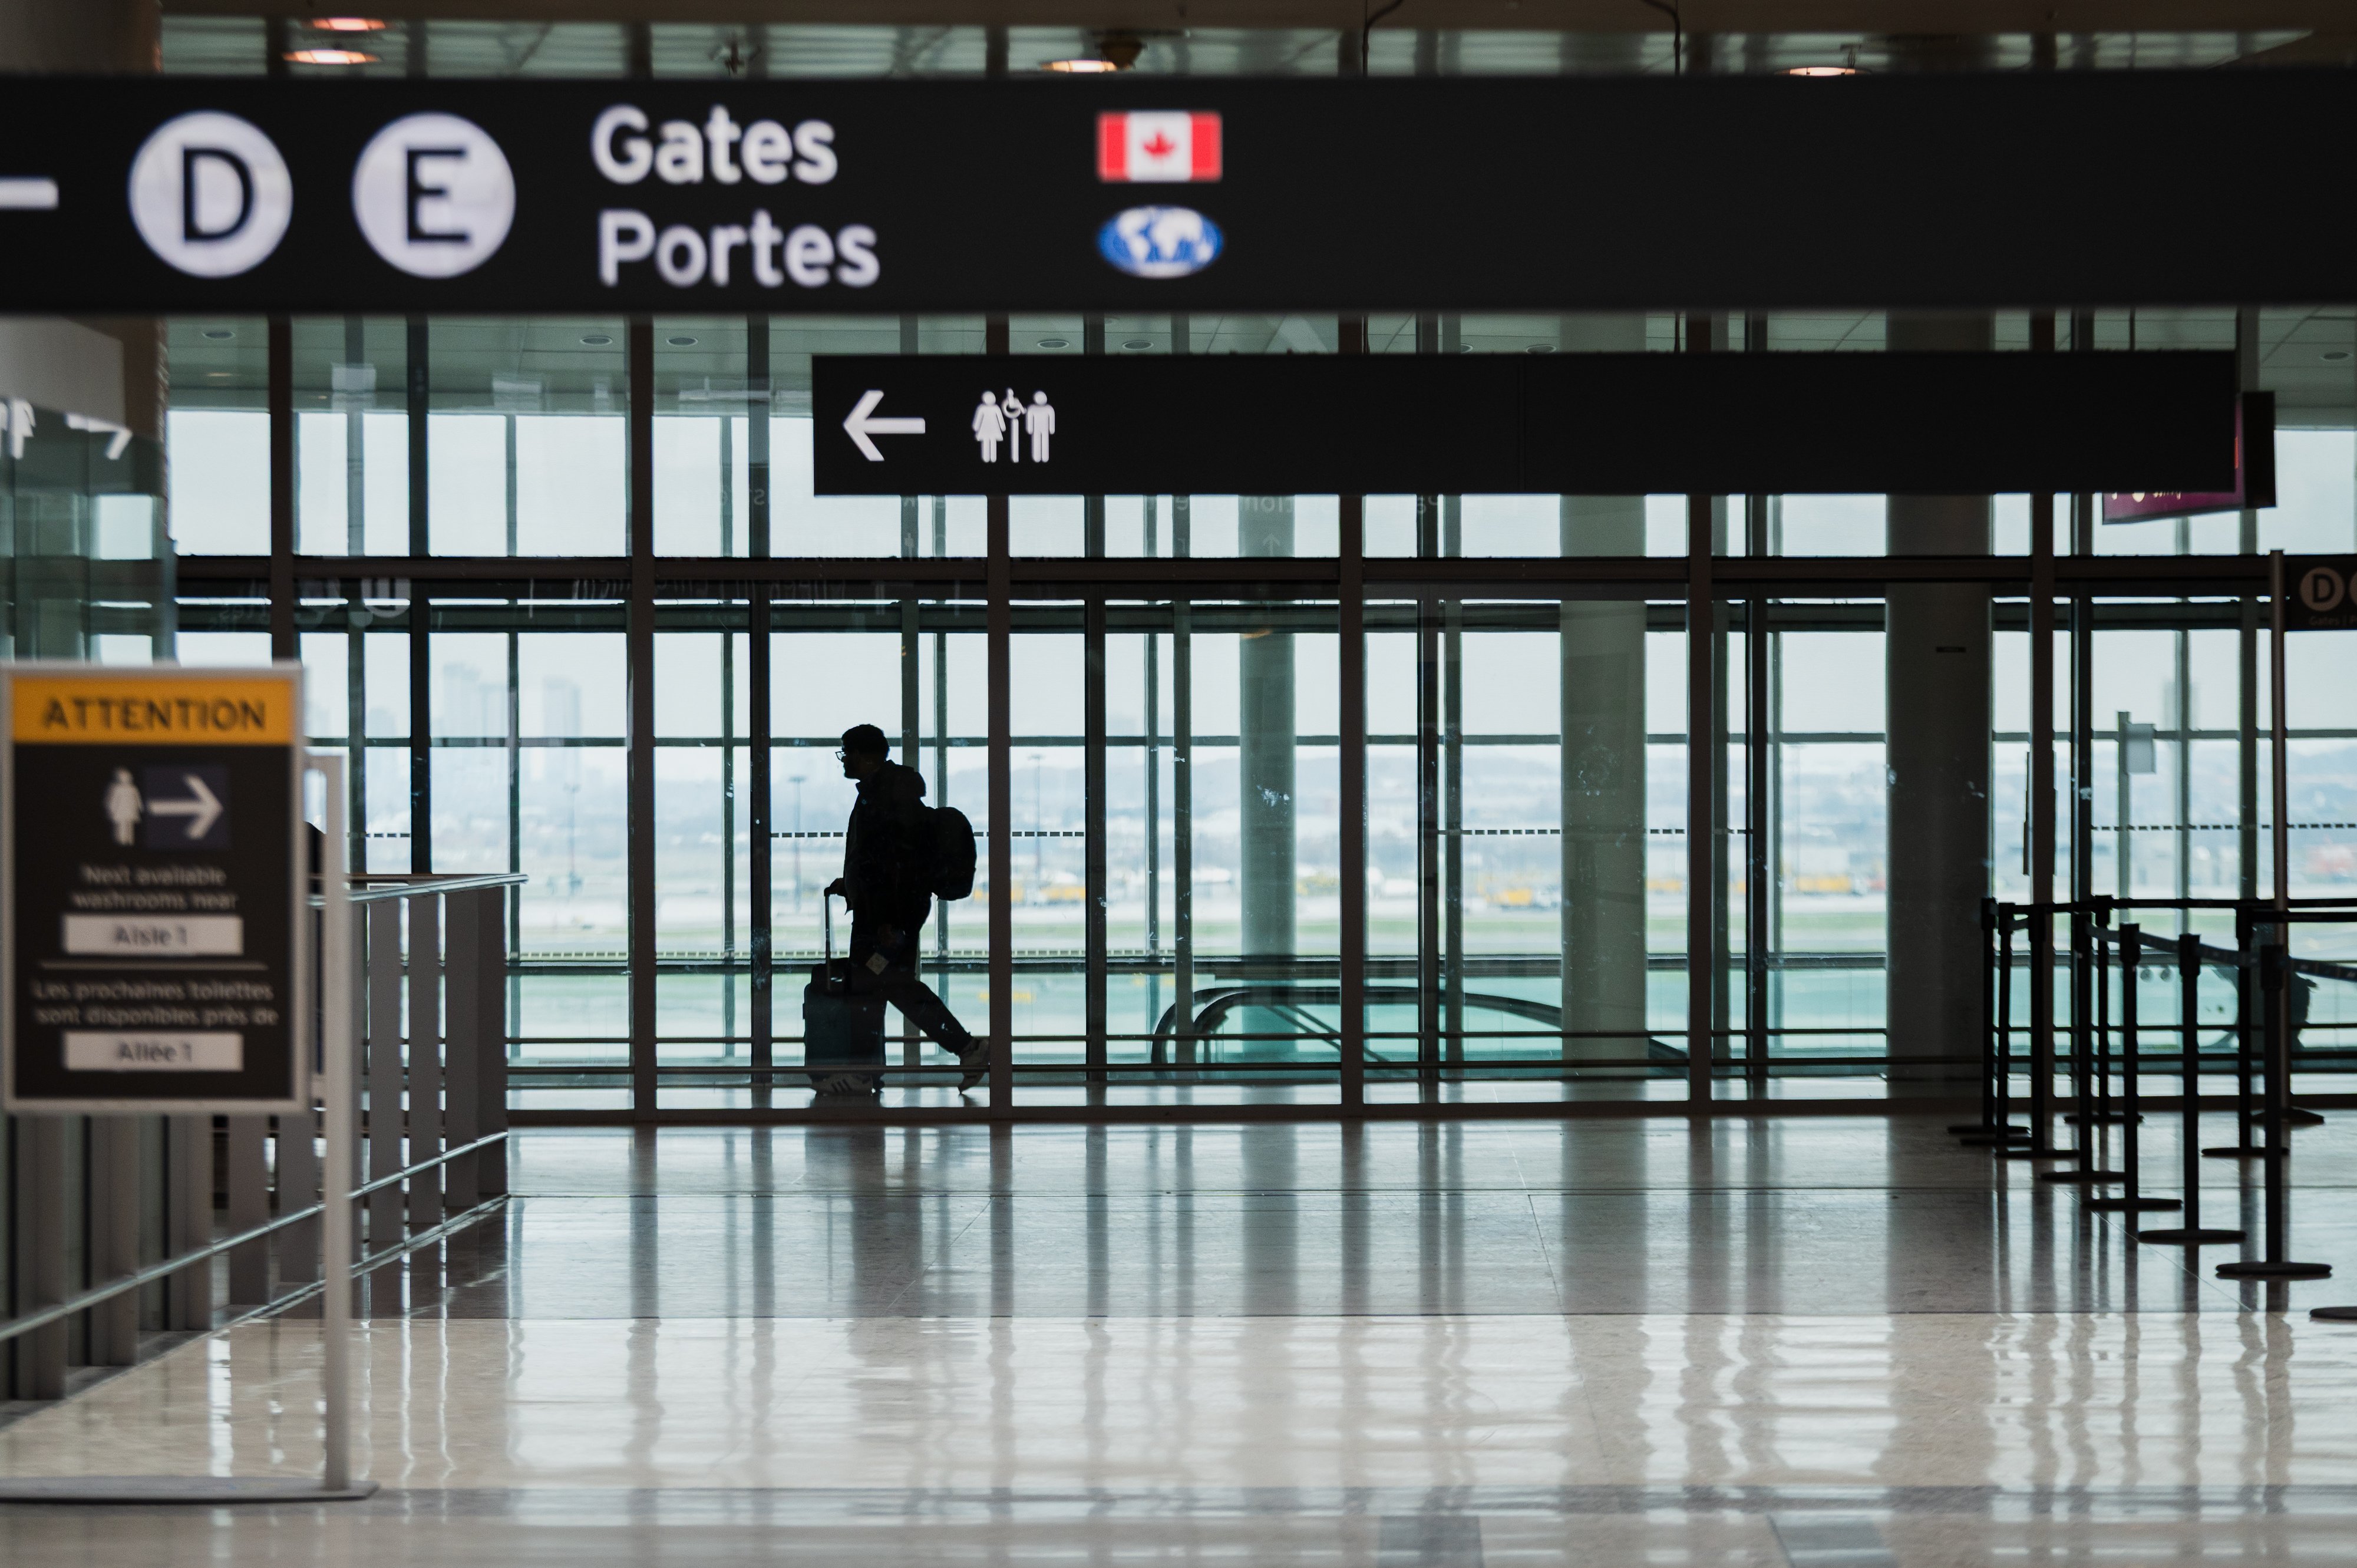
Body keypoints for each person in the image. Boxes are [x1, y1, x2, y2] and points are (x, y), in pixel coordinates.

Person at [824, 723, 989, 1091]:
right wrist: (852, 884)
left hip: (886, 918)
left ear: (863, 755)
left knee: (880, 987)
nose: (844, 761)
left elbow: (895, 866)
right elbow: (883, 863)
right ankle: (871, 1071)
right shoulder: (885, 792)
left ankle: (963, 1048)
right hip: (886, 913)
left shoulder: (887, 797)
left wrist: (888, 920)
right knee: (883, 987)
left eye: (846, 753)